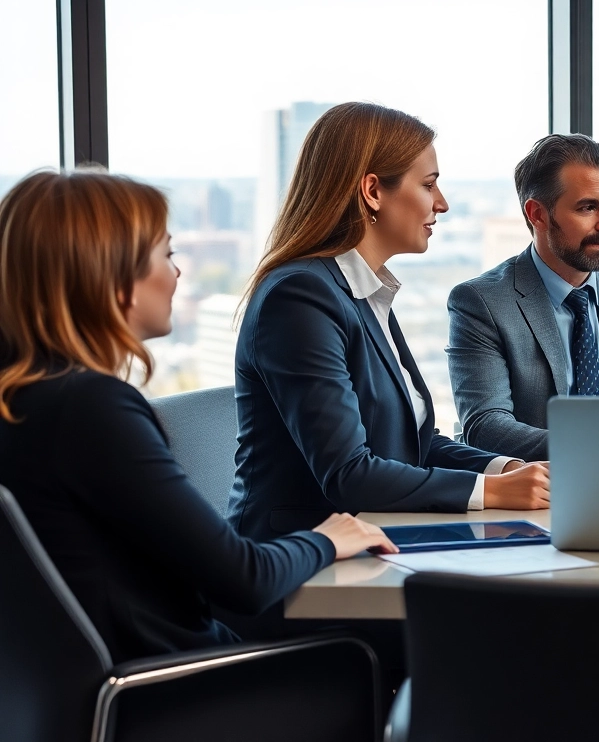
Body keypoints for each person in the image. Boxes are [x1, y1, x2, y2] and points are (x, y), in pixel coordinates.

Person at [0, 170, 396, 663]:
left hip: (95, 696)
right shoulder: (91, 409)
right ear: (117, 277)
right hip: (184, 688)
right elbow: (243, 579)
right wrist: (328, 538)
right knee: (401, 653)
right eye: (166, 254)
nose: (177, 273)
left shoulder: (27, 399)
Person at [228, 102, 549, 543]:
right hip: (302, 568)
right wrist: (493, 491)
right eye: (429, 184)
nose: (443, 203)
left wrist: (507, 468)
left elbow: (412, 445)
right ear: (373, 191)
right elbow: (350, 474)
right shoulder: (299, 297)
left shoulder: (364, 290)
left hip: (375, 541)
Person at [446, 134, 599, 462]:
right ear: (538, 214)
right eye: (588, 207)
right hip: (541, 494)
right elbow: (486, 426)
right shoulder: (482, 302)